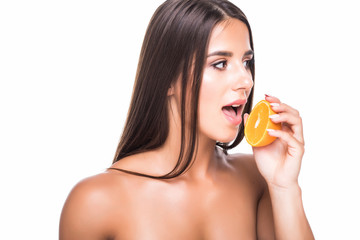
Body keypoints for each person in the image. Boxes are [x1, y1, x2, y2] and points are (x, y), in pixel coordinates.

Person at [59, 0, 314, 239]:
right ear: (168, 79)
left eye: (246, 62)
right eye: (220, 63)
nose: (247, 81)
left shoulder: (256, 179)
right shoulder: (95, 200)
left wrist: (285, 187)